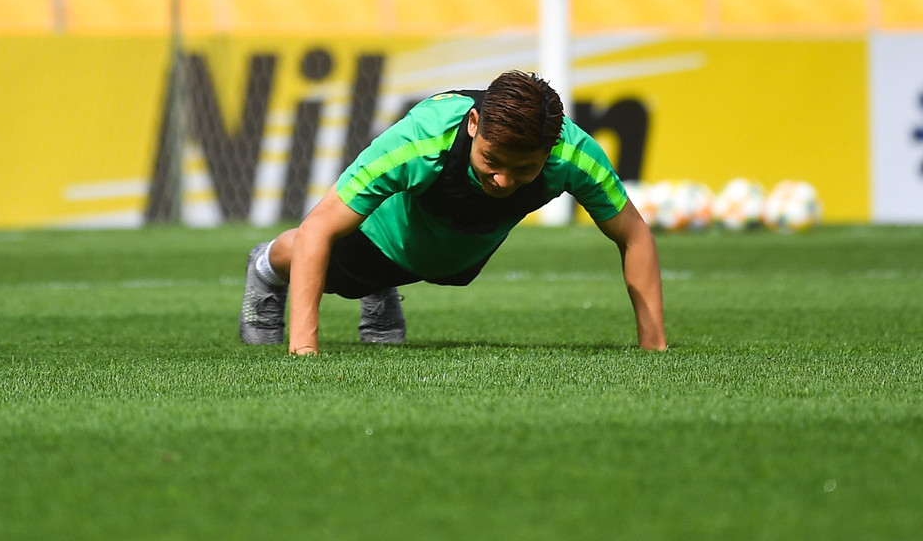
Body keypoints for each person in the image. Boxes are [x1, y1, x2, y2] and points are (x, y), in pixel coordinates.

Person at [239, 70, 666, 354]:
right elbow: (317, 229)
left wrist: (654, 347)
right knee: (341, 271)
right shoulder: (422, 138)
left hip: (458, 251)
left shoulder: (574, 154)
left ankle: (380, 284)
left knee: (449, 269)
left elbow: (634, 234)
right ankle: (266, 266)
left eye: (524, 169)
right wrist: (304, 348)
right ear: (474, 124)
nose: (503, 181)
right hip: (382, 232)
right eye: (492, 161)